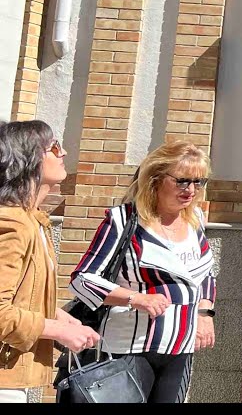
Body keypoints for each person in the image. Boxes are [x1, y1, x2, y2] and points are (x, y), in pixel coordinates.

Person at [69, 141, 217, 403]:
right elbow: (83, 280)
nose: (191, 190)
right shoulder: (124, 220)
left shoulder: (195, 221)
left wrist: (204, 312)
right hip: (130, 348)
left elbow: (203, 273)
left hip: (180, 347)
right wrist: (135, 298)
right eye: (182, 181)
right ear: (156, 179)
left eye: (199, 182)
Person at [0, 122, 100, 402]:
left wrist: (66, 321)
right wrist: (57, 331)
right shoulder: (12, 222)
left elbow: (22, 298)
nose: (64, 151)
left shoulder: (34, 220)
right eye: (54, 147)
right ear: (29, 158)